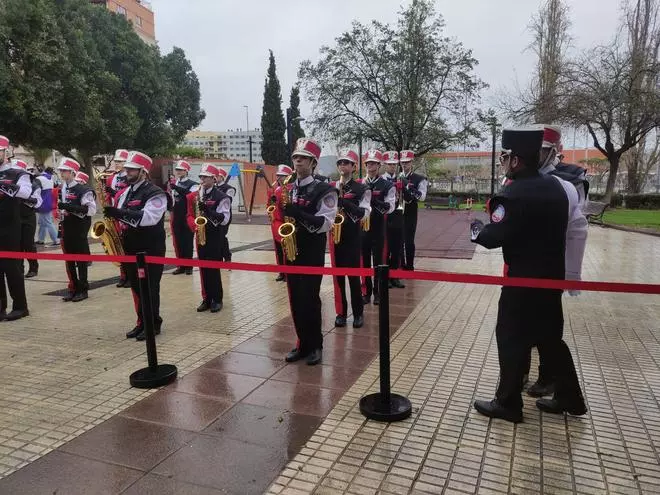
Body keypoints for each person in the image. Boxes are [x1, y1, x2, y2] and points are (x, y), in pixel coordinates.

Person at [470, 127, 586, 423]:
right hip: (551, 278)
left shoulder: (515, 191)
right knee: (550, 339)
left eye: (505, 157)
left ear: (516, 160)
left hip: (522, 280)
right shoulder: (559, 187)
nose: (503, 163)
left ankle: (508, 403)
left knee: (510, 337)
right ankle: (569, 397)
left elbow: (494, 236)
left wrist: (476, 230)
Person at [520, 125, 590, 398]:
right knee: (523, 323)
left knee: (547, 327)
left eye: (542, 152)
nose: (536, 157)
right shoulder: (522, 173)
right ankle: (522, 373)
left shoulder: (569, 178)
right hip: (523, 261)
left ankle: (556, 382)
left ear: (554, 152)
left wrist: (572, 273)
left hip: (550, 263)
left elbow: (577, 228)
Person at [278, 138, 337, 365]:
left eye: (302, 157)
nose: (297, 161)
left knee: (310, 298)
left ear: (313, 162)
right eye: (295, 157)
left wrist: (298, 213)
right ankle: (302, 343)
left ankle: (316, 345)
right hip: (292, 248)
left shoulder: (325, 189)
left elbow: (325, 223)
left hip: (312, 251)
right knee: (295, 298)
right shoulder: (289, 188)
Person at [103, 151, 170, 342]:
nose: (127, 172)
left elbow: (149, 218)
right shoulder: (125, 192)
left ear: (143, 171)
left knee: (149, 287)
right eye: (127, 169)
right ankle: (142, 321)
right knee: (137, 288)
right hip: (131, 246)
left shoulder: (156, 193)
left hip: (150, 247)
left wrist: (119, 213)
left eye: (132, 169)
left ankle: (153, 324)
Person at [330, 149, 371, 328]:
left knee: (353, 277)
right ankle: (341, 312)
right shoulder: (332, 187)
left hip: (353, 236)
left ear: (354, 167)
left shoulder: (361, 188)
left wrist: (344, 202)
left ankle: (358, 313)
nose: (342, 165)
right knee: (338, 278)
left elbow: (364, 214)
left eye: (346, 163)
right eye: (340, 162)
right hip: (335, 237)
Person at [186, 164, 230, 313]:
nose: (202, 179)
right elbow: (190, 214)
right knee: (203, 269)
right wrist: (195, 225)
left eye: (205, 176)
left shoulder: (222, 196)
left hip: (214, 236)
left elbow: (224, 219)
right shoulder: (197, 194)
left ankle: (217, 299)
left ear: (214, 178)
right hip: (200, 235)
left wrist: (208, 211)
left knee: (213, 269)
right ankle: (207, 298)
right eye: (201, 176)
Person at [0, 135, 31, 321]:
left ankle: (20, 306)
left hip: (10, 226)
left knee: (12, 268)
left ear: (6, 152)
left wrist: (4, 186)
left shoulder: (17, 173)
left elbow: (26, 192)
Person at [57, 158, 96, 303]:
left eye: (65, 171)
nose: (62, 173)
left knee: (80, 260)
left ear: (73, 172)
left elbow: (90, 211)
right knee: (70, 260)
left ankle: (83, 289)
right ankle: (74, 288)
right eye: (61, 170)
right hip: (67, 226)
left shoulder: (83, 190)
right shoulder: (63, 188)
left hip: (79, 228)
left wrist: (68, 208)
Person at [361, 150, 395, 305]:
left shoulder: (387, 185)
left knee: (379, 261)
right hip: (362, 228)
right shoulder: (360, 183)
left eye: (373, 163)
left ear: (379, 165)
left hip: (378, 227)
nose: (370, 165)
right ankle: (366, 292)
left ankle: (378, 292)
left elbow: (390, 207)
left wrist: (373, 201)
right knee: (365, 260)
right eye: (368, 163)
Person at [168, 160, 199, 275]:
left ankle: (189, 266)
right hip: (176, 216)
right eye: (177, 170)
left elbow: (190, 195)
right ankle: (181, 265)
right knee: (179, 242)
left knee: (187, 241)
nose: (178, 172)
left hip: (187, 215)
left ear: (186, 171)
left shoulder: (193, 184)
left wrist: (176, 188)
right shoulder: (175, 183)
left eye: (181, 170)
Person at [400, 150, 428, 271]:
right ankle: (400, 264)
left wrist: (408, 186)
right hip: (397, 213)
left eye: (407, 162)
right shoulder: (396, 177)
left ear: (412, 162)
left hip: (410, 212)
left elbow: (422, 197)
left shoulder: (419, 179)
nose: (405, 165)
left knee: (409, 240)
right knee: (398, 241)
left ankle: (410, 266)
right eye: (403, 162)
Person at [381, 151, 405, 289]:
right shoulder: (381, 180)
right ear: (385, 165)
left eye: (394, 164)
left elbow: (407, 198)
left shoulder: (400, 179)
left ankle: (395, 276)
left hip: (398, 215)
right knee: (386, 248)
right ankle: (386, 276)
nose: (392, 167)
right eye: (389, 164)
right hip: (385, 217)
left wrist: (405, 187)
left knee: (397, 248)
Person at [106, 149, 131, 288]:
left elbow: (128, 194)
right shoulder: (111, 177)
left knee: (127, 245)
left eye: (120, 161)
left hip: (125, 214)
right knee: (118, 245)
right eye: (116, 161)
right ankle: (123, 274)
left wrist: (114, 193)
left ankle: (130, 275)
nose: (117, 164)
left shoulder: (130, 176)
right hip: (114, 214)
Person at [14, 161, 42, 278]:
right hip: (14, 217)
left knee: (28, 244)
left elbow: (38, 202)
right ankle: (19, 268)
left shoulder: (34, 184)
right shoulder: (10, 182)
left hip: (28, 217)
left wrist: (23, 197)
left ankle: (33, 267)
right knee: (17, 245)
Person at [268, 164, 293, 282]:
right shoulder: (274, 189)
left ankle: (288, 272)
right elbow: (269, 206)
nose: (279, 178)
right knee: (278, 249)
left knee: (286, 248)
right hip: (276, 222)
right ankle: (281, 271)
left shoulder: (291, 189)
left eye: (282, 176)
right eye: (278, 176)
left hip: (286, 222)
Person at [215, 167, 236, 263]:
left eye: (217, 176)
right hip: (214, 215)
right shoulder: (214, 187)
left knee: (222, 236)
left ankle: (227, 256)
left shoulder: (229, 188)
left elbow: (229, 200)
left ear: (222, 177)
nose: (215, 177)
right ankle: (218, 256)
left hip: (224, 216)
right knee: (217, 237)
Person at [35, 167, 59, 246]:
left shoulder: (39, 178)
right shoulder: (50, 179)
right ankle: (41, 239)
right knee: (43, 222)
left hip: (42, 203)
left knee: (47, 222)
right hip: (48, 202)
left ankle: (56, 240)